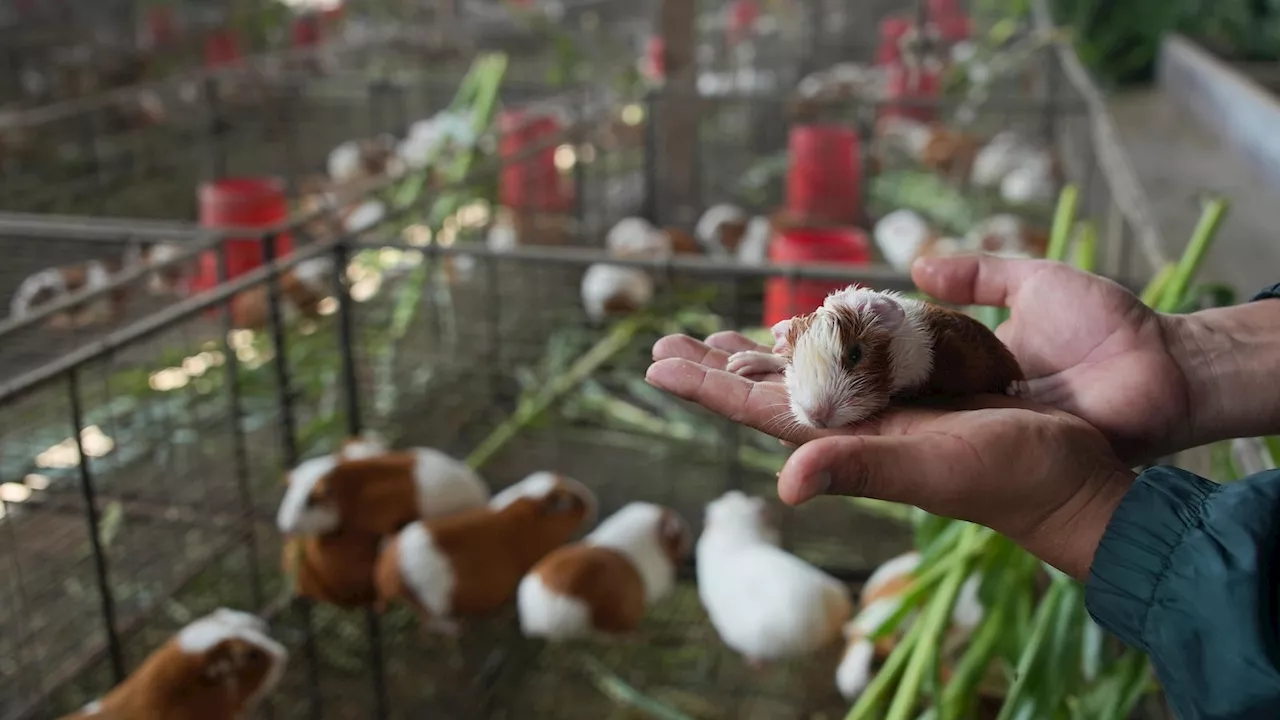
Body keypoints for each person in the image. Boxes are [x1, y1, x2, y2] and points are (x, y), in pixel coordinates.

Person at [645, 254, 1280, 720]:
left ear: (887, 331)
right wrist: (1188, 356)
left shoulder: (918, 345)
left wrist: (1082, 505)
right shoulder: (843, 335)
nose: (815, 408)